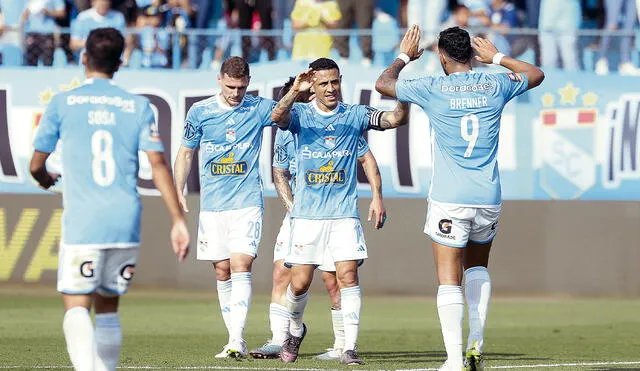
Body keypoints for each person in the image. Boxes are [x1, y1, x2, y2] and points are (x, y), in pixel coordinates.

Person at [375, 25, 544, 371]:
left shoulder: (433, 87)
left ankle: (453, 360)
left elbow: (383, 83)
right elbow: (535, 74)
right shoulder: (495, 83)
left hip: (450, 198)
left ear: (441, 56)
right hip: (488, 196)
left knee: (449, 279)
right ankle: (475, 343)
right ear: (471, 53)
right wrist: (496, 57)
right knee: (478, 267)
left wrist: (405, 56)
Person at [29, 27, 190, 371]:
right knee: (107, 308)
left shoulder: (62, 102)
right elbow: (158, 164)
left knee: (76, 305)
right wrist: (178, 220)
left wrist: (45, 179)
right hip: (125, 219)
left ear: (84, 58)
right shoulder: (137, 106)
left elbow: (36, 164)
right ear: (120, 63)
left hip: (83, 221)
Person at [271, 57, 409, 365]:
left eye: (335, 82)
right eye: (323, 84)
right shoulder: (300, 115)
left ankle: (350, 347)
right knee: (300, 283)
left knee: (348, 276)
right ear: (313, 86)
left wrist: (404, 94)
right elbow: (277, 115)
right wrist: (295, 90)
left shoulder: (354, 116)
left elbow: (395, 120)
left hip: (344, 214)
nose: (331, 88)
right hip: (307, 216)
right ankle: (294, 330)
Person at [249, 77, 383, 361]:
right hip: (300, 213)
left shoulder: (341, 124)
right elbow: (280, 172)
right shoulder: (287, 130)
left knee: (338, 279)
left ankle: (344, 345)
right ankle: (281, 337)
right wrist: (292, 207)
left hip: (336, 213)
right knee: (287, 276)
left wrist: (376, 195)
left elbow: (366, 155)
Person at [173, 56, 276, 359]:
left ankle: (236, 339)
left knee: (241, 264)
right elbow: (185, 152)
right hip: (213, 204)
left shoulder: (257, 108)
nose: (235, 93)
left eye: (241, 88)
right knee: (221, 269)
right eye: (231, 87)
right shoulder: (201, 111)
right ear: (219, 80)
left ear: (248, 83)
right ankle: (233, 338)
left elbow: (285, 114)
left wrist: (296, 91)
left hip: (246, 202)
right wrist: (179, 188)